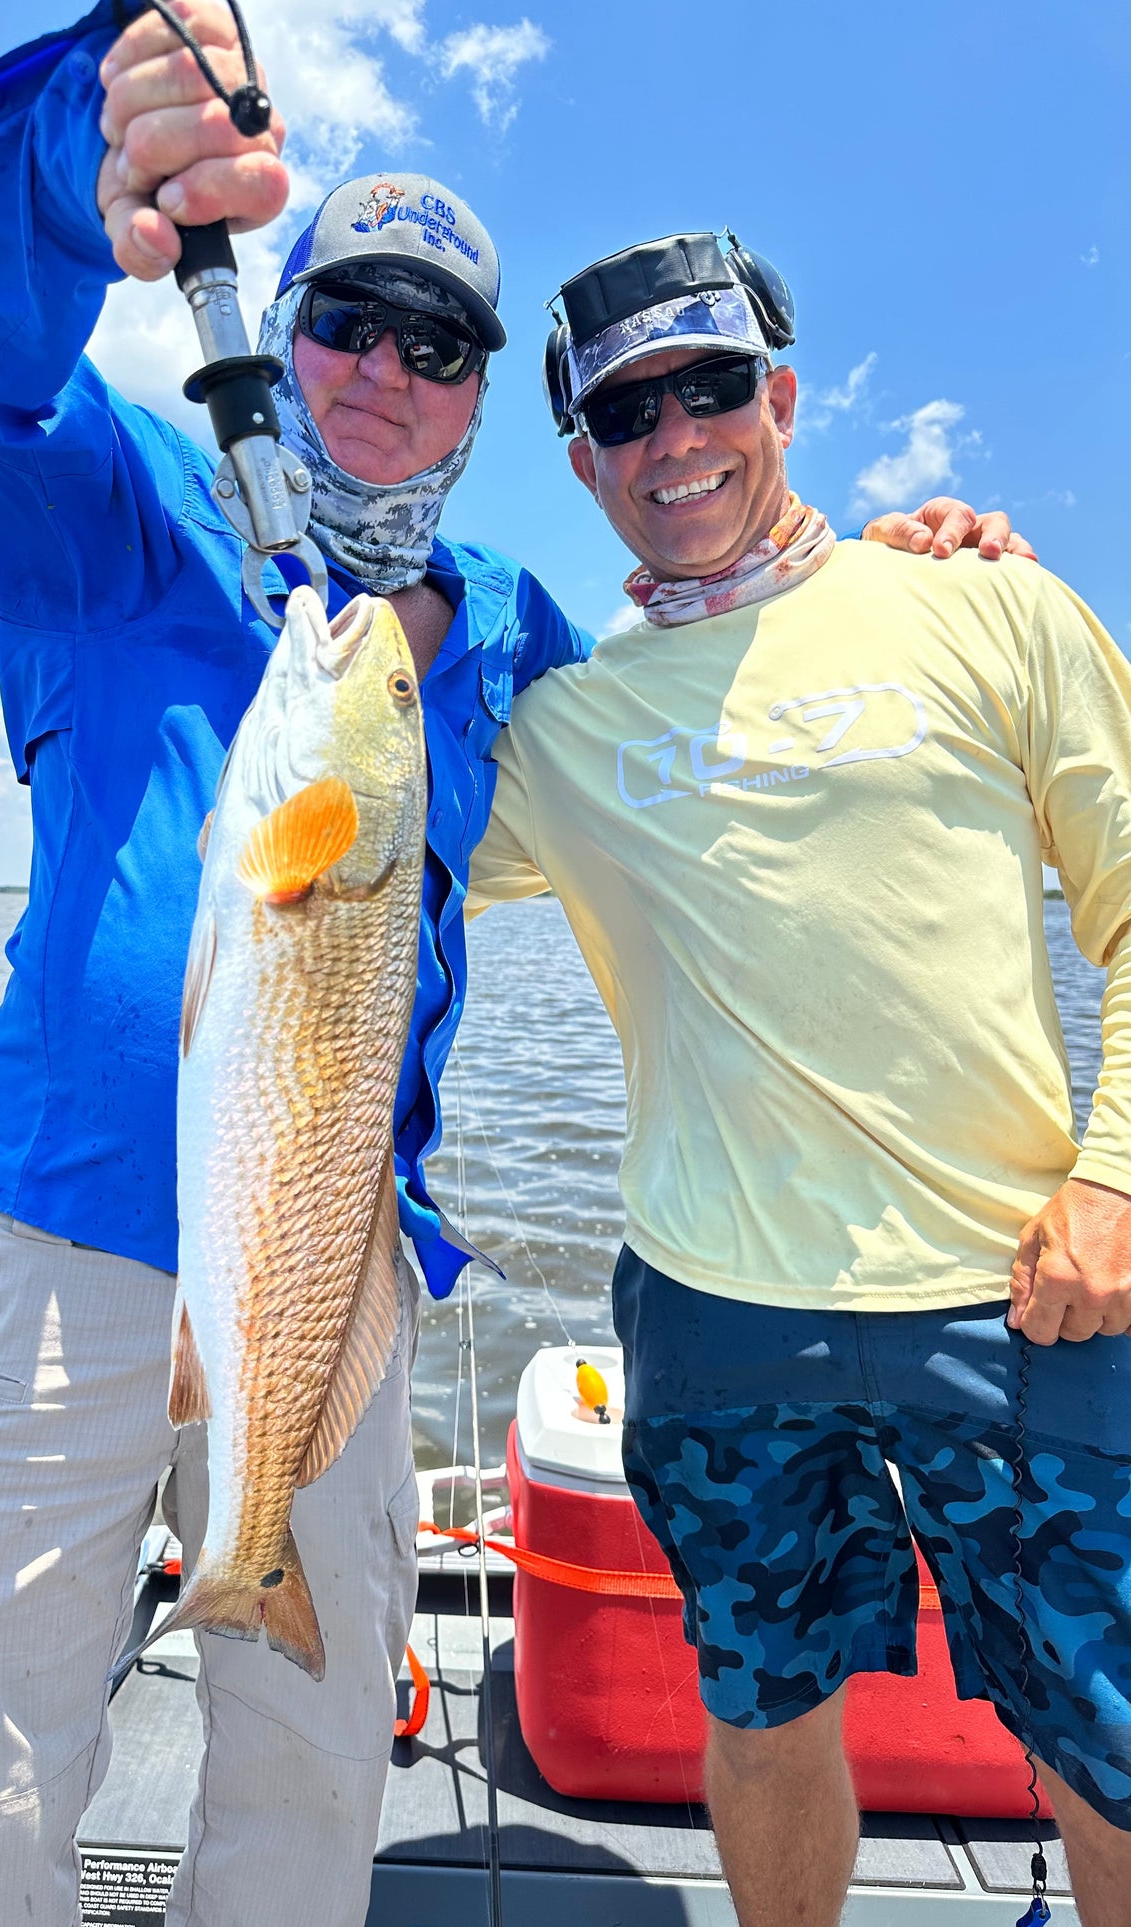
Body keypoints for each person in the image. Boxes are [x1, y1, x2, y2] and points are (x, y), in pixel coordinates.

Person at [0, 5, 1022, 1921]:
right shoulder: (106, 508)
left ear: (479, 406)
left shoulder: (509, 630)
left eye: (437, 346)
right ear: (279, 334)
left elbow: (707, 713)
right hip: (62, 1255)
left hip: (330, 1265)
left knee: (307, 1746)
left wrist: (873, 568)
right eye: (346, 322)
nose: (384, 369)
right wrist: (75, 143)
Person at [468, 230, 1131, 1927]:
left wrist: (1118, 1173)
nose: (673, 435)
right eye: (626, 413)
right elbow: (338, 846)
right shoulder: (563, 729)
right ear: (584, 465)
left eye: (707, 388)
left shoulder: (994, 602)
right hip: (712, 1316)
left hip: (1019, 1300)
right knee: (760, 1717)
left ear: (777, 396)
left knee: (1105, 1742)